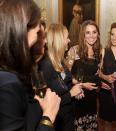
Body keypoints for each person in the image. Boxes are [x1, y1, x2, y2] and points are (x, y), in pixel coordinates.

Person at [0, 0, 61, 130]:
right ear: (22, 29)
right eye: (38, 32)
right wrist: (48, 116)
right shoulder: (7, 83)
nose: (41, 38)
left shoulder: (13, 70)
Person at [38, 24, 83, 131]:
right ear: (58, 40)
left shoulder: (59, 60)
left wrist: (76, 88)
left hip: (67, 116)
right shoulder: (46, 65)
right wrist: (71, 94)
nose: (69, 40)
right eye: (66, 37)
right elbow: (45, 102)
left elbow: (67, 79)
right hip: (57, 121)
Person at [65, 20, 102, 130]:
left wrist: (101, 81)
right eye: (88, 32)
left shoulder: (99, 52)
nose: (91, 35)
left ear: (98, 34)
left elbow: (98, 74)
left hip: (92, 99)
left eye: (94, 32)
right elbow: (66, 76)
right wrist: (82, 84)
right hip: (78, 97)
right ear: (83, 35)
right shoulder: (74, 50)